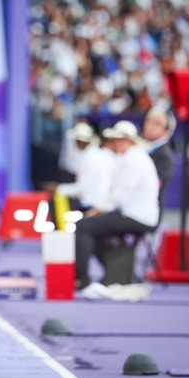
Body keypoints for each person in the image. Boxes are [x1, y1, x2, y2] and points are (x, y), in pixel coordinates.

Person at [74, 120, 160, 289]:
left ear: (130, 140)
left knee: (84, 226)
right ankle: (114, 273)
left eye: (121, 139)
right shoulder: (129, 157)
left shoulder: (133, 160)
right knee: (91, 227)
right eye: (116, 139)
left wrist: (97, 210)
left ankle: (82, 279)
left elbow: (119, 196)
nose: (117, 143)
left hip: (136, 216)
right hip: (132, 213)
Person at [141, 107, 176, 221]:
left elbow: (158, 185)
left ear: (167, 131)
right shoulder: (140, 147)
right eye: (149, 121)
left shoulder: (164, 155)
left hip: (147, 211)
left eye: (157, 124)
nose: (151, 126)